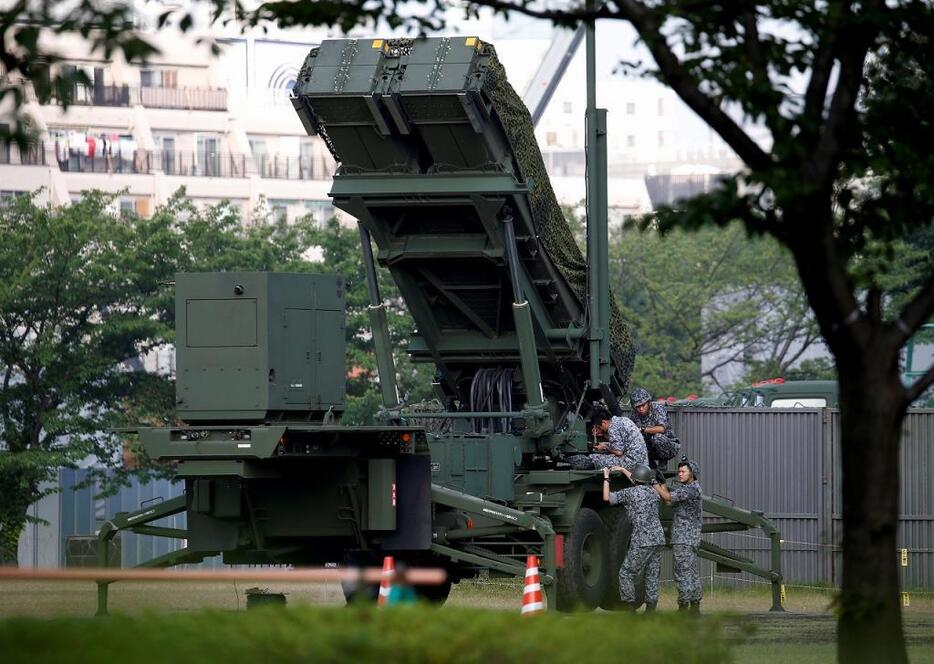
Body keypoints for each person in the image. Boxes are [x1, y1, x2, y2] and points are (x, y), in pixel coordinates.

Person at [603, 463, 664, 613]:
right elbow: (639, 482)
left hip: (642, 539)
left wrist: (606, 477)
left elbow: (607, 498)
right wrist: (624, 470)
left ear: (635, 480)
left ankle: (630, 608)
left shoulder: (630, 493)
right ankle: (651, 609)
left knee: (626, 573)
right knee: (652, 573)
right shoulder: (654, 493)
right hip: (658, 538)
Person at [654, 457, 703, 613]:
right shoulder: (689, 489)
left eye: (683, 471)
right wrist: (662, 484)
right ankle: (695, 606)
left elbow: (668, 497)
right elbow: (669, 501)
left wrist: (654, 484)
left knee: (682, 571)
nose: (679, 474)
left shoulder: (690, 489)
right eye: (679, 471)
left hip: (684, 537)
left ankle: (684, 605)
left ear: (692, 473)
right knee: (691, 571)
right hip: (689, 538)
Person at [567, 405, 648, 471]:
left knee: (595, 458)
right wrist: (605, 441)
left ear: (604, 422)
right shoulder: (621, 420)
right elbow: (622, 443)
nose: (599, 429)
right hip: (642, 461)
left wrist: (605, 447)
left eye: (599, 427)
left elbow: (619, 452)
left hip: (633, 463)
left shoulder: (612, 428)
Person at [629, 387, 681, 469]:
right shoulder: (634, 414)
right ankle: (650, 465)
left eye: (643, 405)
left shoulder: (657, 408)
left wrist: (643, 429)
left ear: (648, 402)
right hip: (650, 447)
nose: (641, 409)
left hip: (669, 446)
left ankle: (663, 462)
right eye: (638, 407)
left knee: (657, 437)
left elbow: (661, 429)